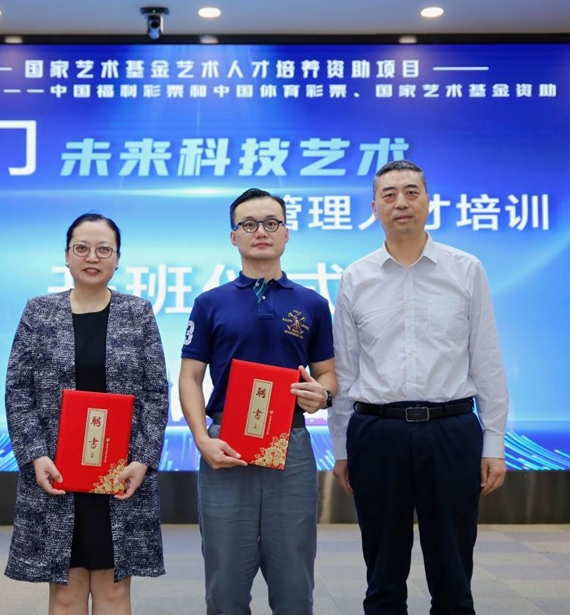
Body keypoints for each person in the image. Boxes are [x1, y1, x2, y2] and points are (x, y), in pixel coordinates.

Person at [328, 159, 509, 615]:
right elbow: (345, 372)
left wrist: (494, 443)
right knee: (383, 576)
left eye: (411, 192)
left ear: (429, 201)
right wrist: (341, 448)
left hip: (450, 431)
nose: (401, 202)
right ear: (374, 207)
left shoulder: (466, 270)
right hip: (377, 433)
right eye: (389, 195)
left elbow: (487, 360)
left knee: (453, 575)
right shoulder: (355, 277)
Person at [179, 188, 337, 615]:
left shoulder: (312, 303)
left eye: (271, 223)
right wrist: (201, 439)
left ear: (286, 233)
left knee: (294, 585)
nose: (261, 231)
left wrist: (323, 394)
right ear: (234, 236)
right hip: (225, 445)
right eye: (249, 224)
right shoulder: (210, 303)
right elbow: (190, 377)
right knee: (225, 588)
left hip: (291, 445)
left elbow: (328, 374)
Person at [4, 212, 168, 615]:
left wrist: (143, 460)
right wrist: (35, 455)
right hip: (58, 473)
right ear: (66, 255)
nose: (92, 257)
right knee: (65, 592)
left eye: (103, 249)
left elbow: (156, 393)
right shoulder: (39, 311)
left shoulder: (138, 312)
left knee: (114, 591)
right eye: (81, 248)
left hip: (120, 474)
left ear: (117, 259)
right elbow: (18, 390)